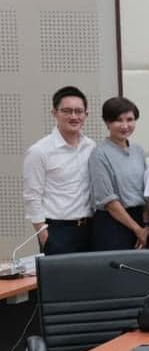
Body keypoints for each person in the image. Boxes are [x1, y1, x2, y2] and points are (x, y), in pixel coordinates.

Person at [23, 86, 96, 254]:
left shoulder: (91, 147)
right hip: (57, 231)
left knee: (89, 280)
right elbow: (32, 196)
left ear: (86, 114)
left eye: (79, 111)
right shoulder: (39, 151)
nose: (73, 116)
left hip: (90, 229)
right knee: (61, 281)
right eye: (67, 111)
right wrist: (44, 236)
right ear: (54, 113)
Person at [88, 97, 149, 250]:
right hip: (113, 224)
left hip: (140, 220)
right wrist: (137, 229)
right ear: (107, 122)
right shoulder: (99, 154)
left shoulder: (138, 150)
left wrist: (146, 225)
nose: (125, 125)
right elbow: (109, 201)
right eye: (118, 120)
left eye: (130, 119)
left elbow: (146, 189)